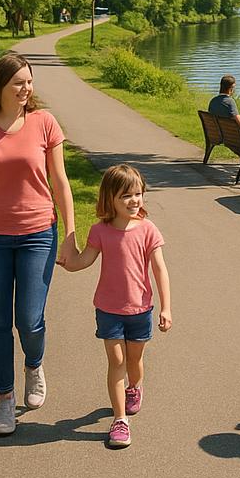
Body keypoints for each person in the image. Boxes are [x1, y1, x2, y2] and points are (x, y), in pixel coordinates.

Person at [0, 52, 76, 436]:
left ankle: (34, 365)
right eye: (18, 83)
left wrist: (70, 235)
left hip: (39, 234)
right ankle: (4, 399)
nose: (26, 89)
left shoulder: (44, 123)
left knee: (29, 319)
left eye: (29, 82)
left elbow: (60, 182)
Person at [59, 164, 171, 450]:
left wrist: (166, 308)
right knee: (117, 363)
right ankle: (120, 420)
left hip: (141, 310)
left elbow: (160, 270)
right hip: (109, 310)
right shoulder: (100, 231)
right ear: (110, 199)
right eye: (126, 196)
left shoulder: (148, 230)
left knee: (134, 362)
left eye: (138, 194)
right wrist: (68, 262)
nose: (134, 200)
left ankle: (135, 388)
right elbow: (84, 260)